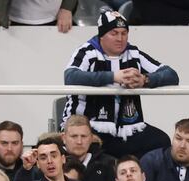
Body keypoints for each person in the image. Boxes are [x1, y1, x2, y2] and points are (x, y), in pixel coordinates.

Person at [62, 11, 177, 158]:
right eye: (114, 33)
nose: (120, 39)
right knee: (95, 153)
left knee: (161, 142)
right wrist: (113, 77)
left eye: (124, 33)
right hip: (89, 127)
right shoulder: (87, 52)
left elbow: (171, 74)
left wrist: (144, 80)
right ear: (101, 35)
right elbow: (70, 76)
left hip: (127, 128)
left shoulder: (133, 53)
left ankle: (141, 180)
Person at [62, 115, 116, 181]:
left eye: (83, 136)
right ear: (64, 138)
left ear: (91, 138)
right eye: (74, 136)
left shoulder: (108, 164)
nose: (79, 141)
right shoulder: (52, 164)